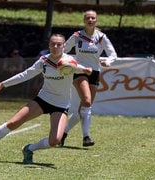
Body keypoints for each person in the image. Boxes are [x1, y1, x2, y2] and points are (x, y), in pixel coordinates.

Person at [0, 34, 92, 164]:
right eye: (53, 44)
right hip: (43, 99)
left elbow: (76, 67)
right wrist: (3, 84)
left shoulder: (69, 61)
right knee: (13, 122)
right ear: (49, 46)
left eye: (59, 44)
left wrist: (85, 69)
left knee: (55, 141)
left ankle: (29, 149)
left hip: (61, 105)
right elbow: (26, 74)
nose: (56, 46)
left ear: (64, 46)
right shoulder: (44, 61)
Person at [59, 10, 117, 147]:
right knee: (87, 101)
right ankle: (86, 137)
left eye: (93, 18)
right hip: (79, 71)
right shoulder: (77, 36)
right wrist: (66, 62)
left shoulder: (101, 37)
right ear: (84, 20)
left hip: (95, 72)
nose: (90, 20)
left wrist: (108, 61)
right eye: (87, 18)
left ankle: (63, 134)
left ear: (96, 20)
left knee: (84, 108)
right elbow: (63, 50)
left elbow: (113, 54)